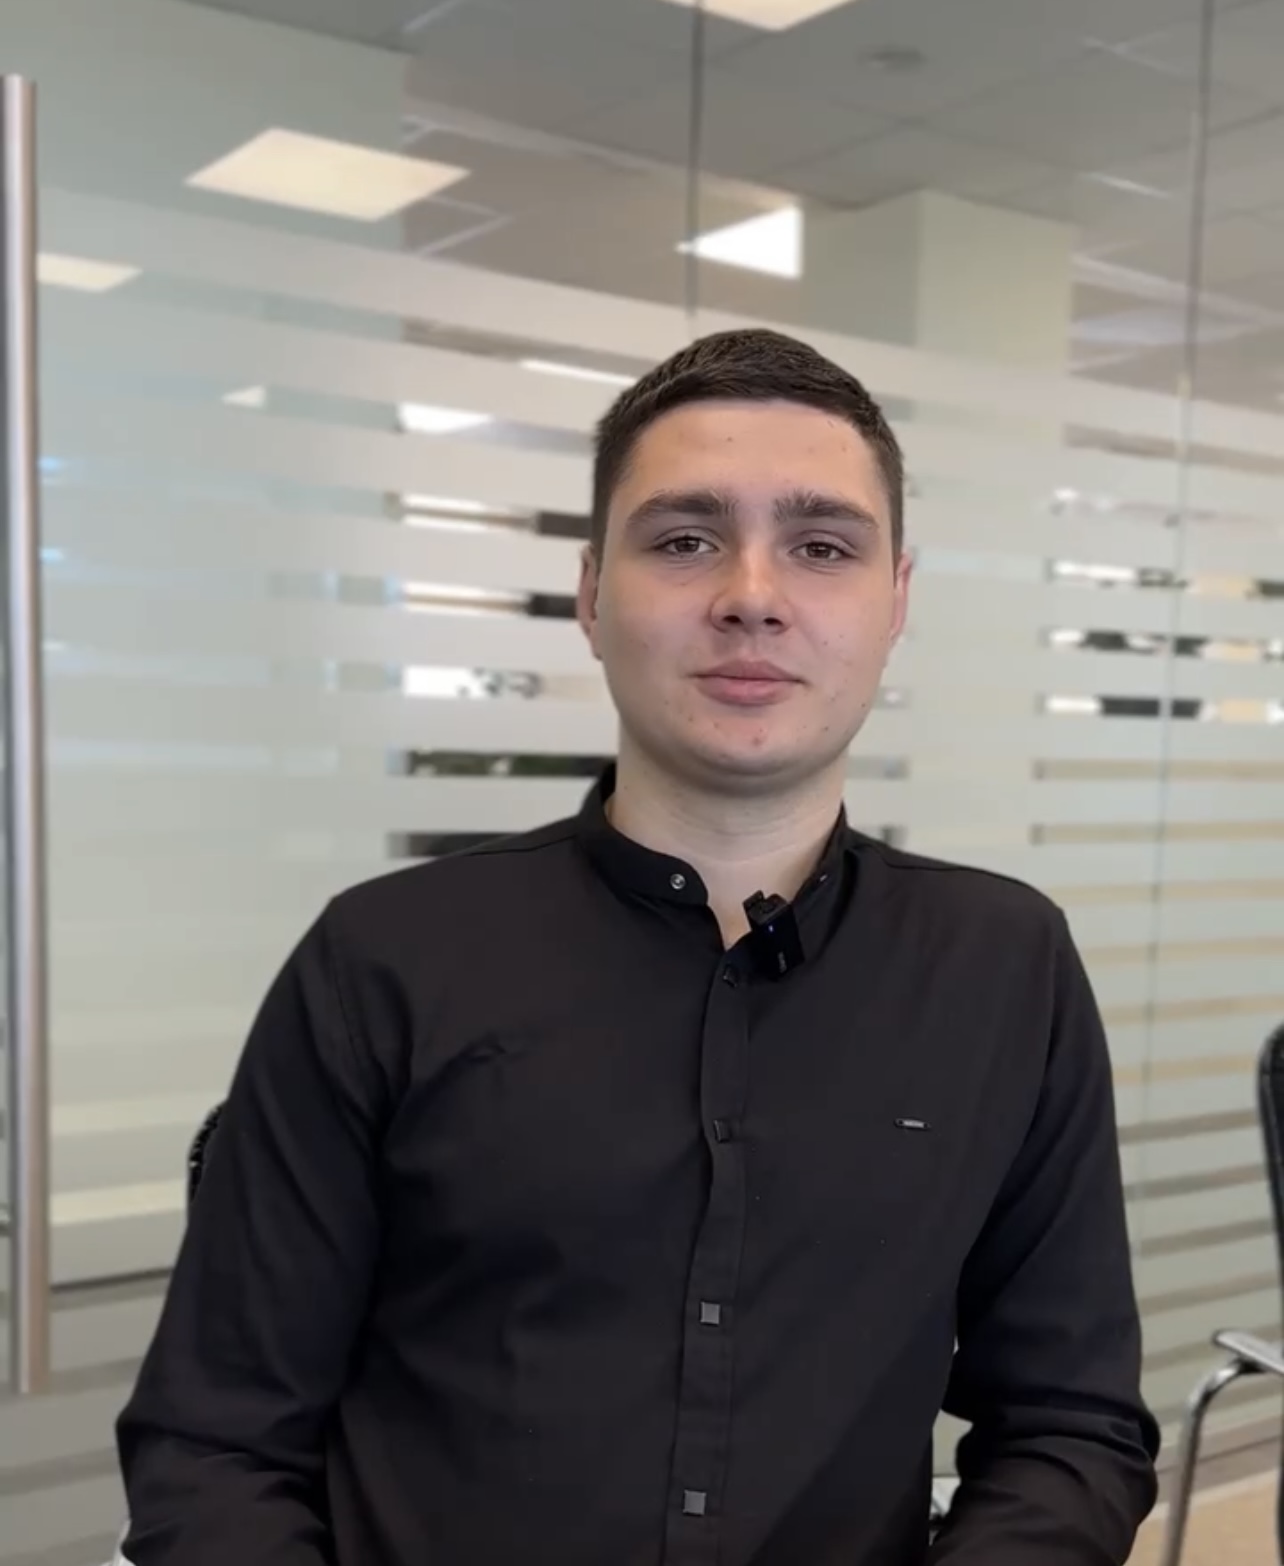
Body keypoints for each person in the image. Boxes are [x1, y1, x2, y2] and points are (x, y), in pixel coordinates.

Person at [116, 326, 1159, 1565]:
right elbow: (214, 1448)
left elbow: (1069, 1426)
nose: (752, 594)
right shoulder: (383, 962)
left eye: (822, 546)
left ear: (895, 603)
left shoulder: (1002, 968)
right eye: (684, 540)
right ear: (591, 597)